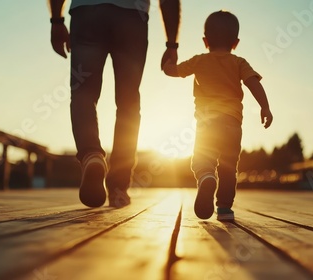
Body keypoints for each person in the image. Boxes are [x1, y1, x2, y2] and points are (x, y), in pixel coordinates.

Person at [49, 0, 180, 208]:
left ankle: (91, 154)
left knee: (84, 93)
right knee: (128, 103)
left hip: (87, 13)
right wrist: (171, 44)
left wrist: (56, 20)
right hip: (131, 17)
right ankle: (118, 186)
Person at [163, 10, 273, 221]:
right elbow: (254, 83)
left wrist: (166, 63)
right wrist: (265, 107)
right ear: (236, 42)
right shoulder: (239, 62)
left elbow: (173, 71)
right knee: (229, 167)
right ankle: (224, 208)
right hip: (232, 124)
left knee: (203, 160)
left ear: (205, 41)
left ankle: (206, 177)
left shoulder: (198, 61)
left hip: (207, 123)